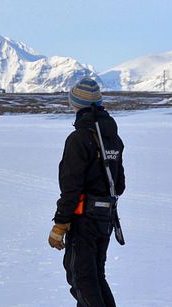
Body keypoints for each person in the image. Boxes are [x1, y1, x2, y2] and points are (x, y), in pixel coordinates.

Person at [48, 77, 126, 307]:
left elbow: (71, 188)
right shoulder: (113, 137)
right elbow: (119, 185)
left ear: (76, 104)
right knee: (95, 278)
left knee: (81, 279)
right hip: (106, 219)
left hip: (85, 220)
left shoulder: (79, 138)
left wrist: (60, 225)